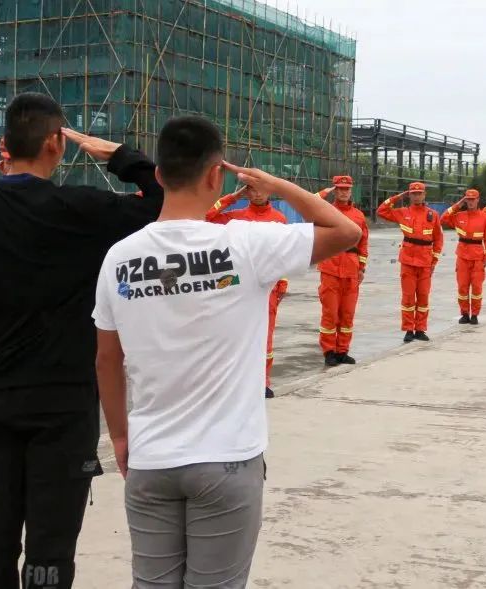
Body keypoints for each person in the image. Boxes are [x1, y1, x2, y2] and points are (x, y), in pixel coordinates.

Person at [92, 116, 360, 588]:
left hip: (151, 458)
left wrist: (119, 438)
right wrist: (276, 185)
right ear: (217, 175)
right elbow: (345, 231)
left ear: (159, 175)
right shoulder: (246, 244)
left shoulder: (120, 257)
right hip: (226, 459)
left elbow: (107, 360)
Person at [0, 93, 165, 589]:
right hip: (64, 403)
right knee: (51, 542)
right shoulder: (79, 210)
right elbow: (162, 200)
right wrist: (118, 156)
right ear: (55, 143)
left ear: (5, 144)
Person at [206, 184, 288, 397]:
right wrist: (232, 197)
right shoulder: (235, 218)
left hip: (268, 285)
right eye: (251, 190)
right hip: (239, 285)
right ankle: (238, 382)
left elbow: (282, 255)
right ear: (246, 192)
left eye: (261, 189)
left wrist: (282, 284)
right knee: (237, 335)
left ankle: (262, 382)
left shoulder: (279, 219)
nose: (258, 193)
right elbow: (206, 217)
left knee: (265, 336)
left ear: (270, 191)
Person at [377, 182, 444, 342]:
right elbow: (381, 211)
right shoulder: (403, 212)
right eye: (413, 193)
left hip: (425, 262)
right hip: (407, 261)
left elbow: (438, 239)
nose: (416, 196)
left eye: (419, 193)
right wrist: (398, 196)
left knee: (423, 297)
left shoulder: (433, 215)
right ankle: (408, 329)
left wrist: (434, 261)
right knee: (408, 297)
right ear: (409, 195)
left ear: (424, 195)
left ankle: (420, 329)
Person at [315, 175, 369, 365]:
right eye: (339, 189)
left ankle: (342, 350)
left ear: (351, 191)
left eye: (346, 189)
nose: (343, 192)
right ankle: (329, 351)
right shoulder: (325, 211)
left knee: (347, 313)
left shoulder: (359, 216)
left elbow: (363, 243)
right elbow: (310, 203)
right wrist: (324, 192)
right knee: (330, 313)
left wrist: (361, 268)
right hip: (330, 268)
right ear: (334, 190)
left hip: (351, 270)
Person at [441, 188, 486, 323]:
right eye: (468, 199)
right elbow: (443, 218)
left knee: (477, 287)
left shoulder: (485, 217)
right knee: (462, 287)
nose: (470, 202)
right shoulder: (459, 216)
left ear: (478, 200)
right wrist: (458, 204)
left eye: (473, 199)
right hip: (462, 256)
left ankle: (474, 314)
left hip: (477, 257)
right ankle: (464, 314)